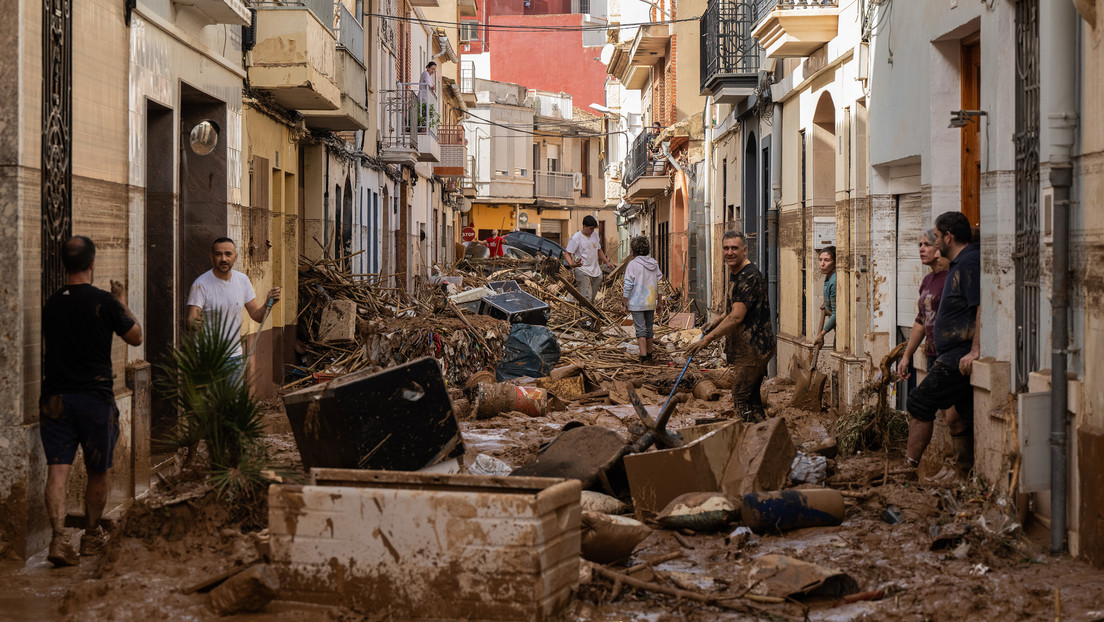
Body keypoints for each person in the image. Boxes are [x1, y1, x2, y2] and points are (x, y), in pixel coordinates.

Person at [41, 236, 142, 567]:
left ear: (64, 264)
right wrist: (122, 301)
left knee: (57, 472)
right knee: (98, 472)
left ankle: (58, 538)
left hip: (55, 399)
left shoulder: (52, 303)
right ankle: (91, 536)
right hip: (95, 400)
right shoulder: (105, 301)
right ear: (93, 263)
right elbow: (136, 336)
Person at [904, 211, 980, 472]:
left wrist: (975, 350)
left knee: (919, 401)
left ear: (948, 237)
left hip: (958, 355)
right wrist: (907, 354)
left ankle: (909, 468)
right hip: (946, 354)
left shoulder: (968, 263)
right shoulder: (958, 264)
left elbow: (981, 306)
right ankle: (962, 473)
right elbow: (921, 320)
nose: (932, 244)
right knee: (961, 417)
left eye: (935, 238)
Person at [688, 231, 775, 422]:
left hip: (754, 349)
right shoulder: (736, 273)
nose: (729, 252)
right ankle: (762, 430)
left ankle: (744, 432)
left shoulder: (748, 277)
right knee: (752, 398)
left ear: (744, 250)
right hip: (750, 348)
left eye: (734, 248)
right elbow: (734, 309)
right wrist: (716, 322)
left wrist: (708, 340)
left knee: (740, 395)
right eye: (726, 248)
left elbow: (736, 317)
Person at [186, 238, 281, 369]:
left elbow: (257, 316)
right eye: (218, 254)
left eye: (228, 254)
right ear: (212, 257)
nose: (223, 259)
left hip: (234, 357)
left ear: (235, 257)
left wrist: (268, 304)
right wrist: (194, 323)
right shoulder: (200, 284)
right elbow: (192, 320)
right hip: (207, 357)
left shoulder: (242, 280)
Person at [621, 236, 664, 364]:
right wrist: (659, 302)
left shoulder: (632, 265)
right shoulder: (654, 263)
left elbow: (628, 285)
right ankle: (650, 355)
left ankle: (643, 357)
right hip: (650, 302)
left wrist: (624, 303)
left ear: (633, 250)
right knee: (649, 329)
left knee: (640, 330)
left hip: (636, 303)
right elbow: (659, 283)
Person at [564, 215, 613, 303]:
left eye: (593, 229)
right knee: (587, 298)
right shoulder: (576, 238)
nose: (592, 231)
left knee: (591, 300)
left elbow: (599, 250)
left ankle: (579, 305)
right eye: (590, 229)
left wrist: (607, 262)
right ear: (584, 226)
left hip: (595, 271)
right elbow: (567, 254)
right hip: (582, 270)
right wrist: (571, 264)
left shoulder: (594, 235)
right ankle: (582, 311)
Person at [813, 246, 836, 349]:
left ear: (835, 262)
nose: (822, 264)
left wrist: (822, 334)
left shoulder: (834, 281)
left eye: (827, 260)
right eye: (820, 260)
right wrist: (827, 303)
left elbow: (836, 314)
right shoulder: (828, 276)